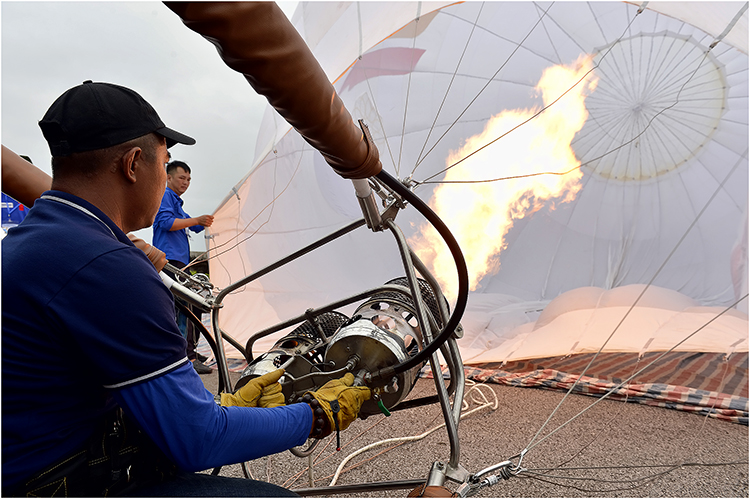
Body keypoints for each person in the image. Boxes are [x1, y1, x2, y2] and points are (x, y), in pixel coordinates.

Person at [1, 80, 371, 497]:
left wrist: (223, 407)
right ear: (133, 164)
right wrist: (315, 415)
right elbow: (199, 441)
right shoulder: (106, 268)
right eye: (164, 162)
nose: (164, 176)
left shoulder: (34, 240)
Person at [153, 160, 214, 373]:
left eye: (189, 179)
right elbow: (166, 223)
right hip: (171, 261)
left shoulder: (177, 202)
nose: (186, 182)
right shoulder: (165, 196)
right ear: (168, 178)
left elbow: (194, 225)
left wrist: (207, 220)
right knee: (185, 308)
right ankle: (187, 357)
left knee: (191, 306)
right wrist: (196, 219)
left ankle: (189, 350)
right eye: (182, 178)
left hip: (181, 262)